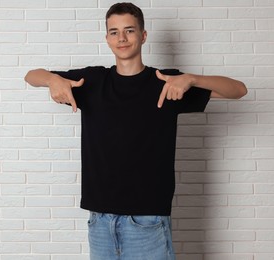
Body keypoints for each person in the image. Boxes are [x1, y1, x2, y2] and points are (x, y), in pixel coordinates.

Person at [25, 2, 247, 260]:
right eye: (114, 32)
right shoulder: (92, 82)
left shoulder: (166, 82)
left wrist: (192, 79)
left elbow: (238, 89)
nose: (121, 38)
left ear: (143, 36)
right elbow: (32, 76)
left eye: (129, 30)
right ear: (107, 38)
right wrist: (52, 79)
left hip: (147, 222)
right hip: (100, 221)